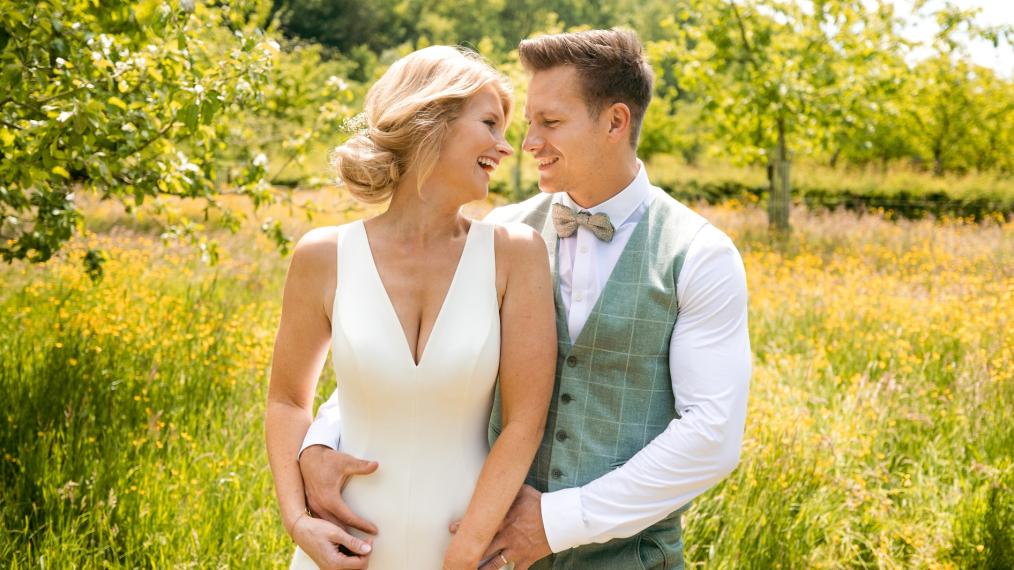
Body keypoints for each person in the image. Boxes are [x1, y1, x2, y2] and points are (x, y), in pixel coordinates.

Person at [299, 29, 751, 570]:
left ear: (615, 122)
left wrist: (557, 522)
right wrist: (319, 441)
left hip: (630, 559)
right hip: (491, 557)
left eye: (550, 122)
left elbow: (711, 436)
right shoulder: (499, 236)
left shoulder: (700, 255)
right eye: (527, 122)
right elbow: (414, 359)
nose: (527, 142)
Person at [264, 45, 557, 570]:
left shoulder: (515, 254)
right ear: (431, 119)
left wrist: (467, 549)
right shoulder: (323, 255)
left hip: (464, 553)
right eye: (490, 123)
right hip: (343, 553)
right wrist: (298, 521)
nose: (505, 146)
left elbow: (525, 421)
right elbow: (287, 400)